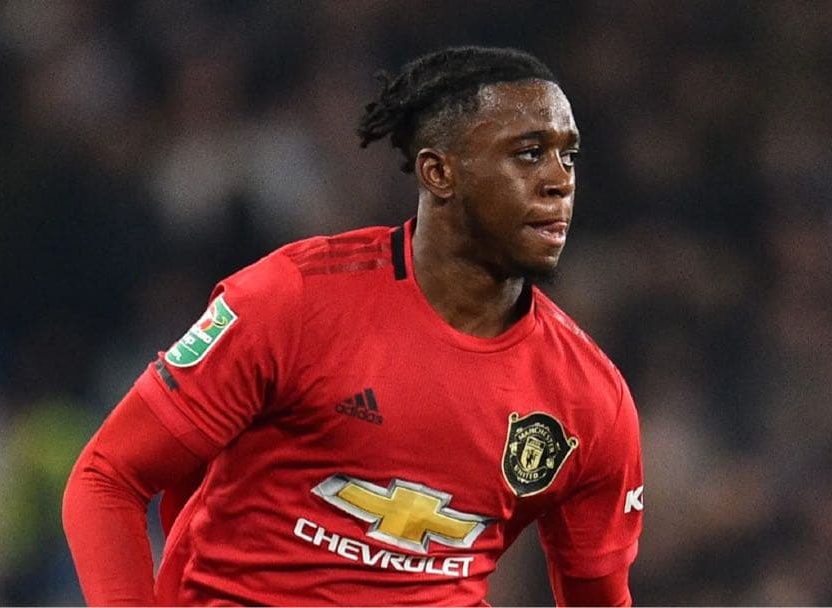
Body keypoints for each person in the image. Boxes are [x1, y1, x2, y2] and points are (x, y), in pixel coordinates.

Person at [62, 45, 644, 606]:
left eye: (568, 156)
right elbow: (107, 477)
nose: (560, 180)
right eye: (529, 153)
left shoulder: (590, 400)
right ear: (439, 173)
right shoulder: (294, 300)